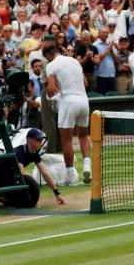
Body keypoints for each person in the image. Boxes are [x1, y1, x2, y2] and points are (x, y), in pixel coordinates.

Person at [43, 43, 91, 185]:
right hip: (83, 101)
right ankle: (87, 165)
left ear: (49, 55)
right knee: (83, 135)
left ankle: (72, 176)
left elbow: (51, 89)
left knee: (67, 140)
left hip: (68, 102)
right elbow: (85, 83)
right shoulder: (75, 61)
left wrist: (50, 98)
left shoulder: (51, 65)